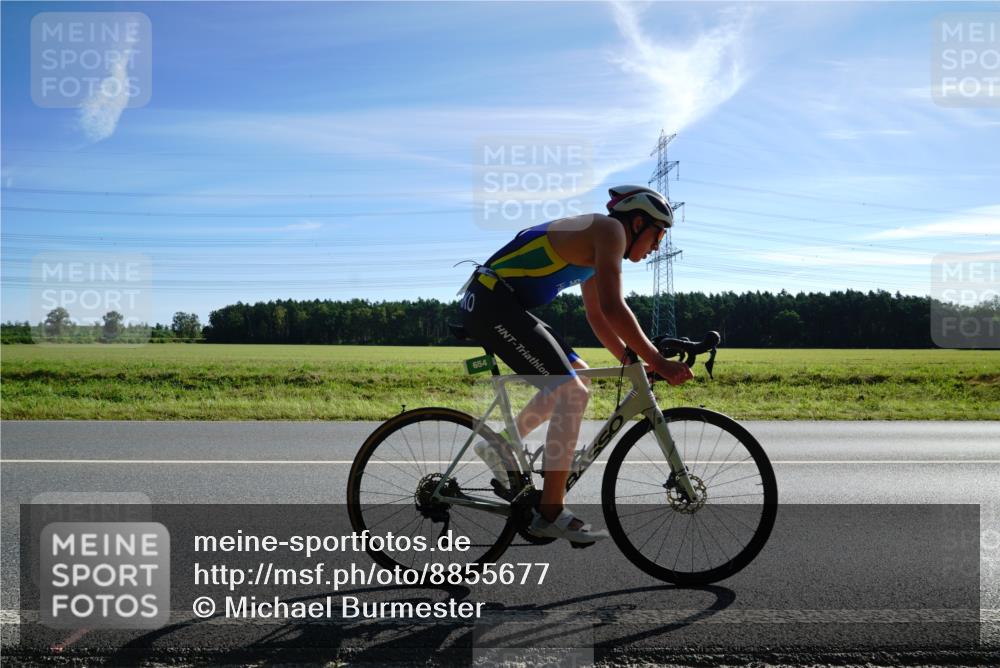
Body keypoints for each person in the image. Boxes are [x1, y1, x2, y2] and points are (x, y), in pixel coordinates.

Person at [459, 185, 694, 544]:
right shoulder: (609, 231)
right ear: (637, 222)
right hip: (491, 301)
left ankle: (499, 446)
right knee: (571, 391)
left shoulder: (601, 243)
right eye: (658, 234)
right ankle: (550, 512)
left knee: (576, 374)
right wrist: (658, 361)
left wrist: (632, 361)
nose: (658, 246)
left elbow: (598, 316)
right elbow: (615, 309)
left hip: (501, 303)